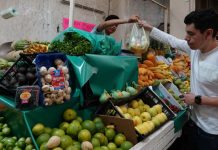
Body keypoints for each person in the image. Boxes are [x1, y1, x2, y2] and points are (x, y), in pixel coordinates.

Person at [138, 9, 218, 150]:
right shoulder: (195, 49)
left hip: (212, 133)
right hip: (193, 123)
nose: (186, 37)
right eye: (187, 32)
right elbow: (172, 40)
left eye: (191, 34)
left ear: (208, 33)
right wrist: (148, 27)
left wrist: (198, 99)